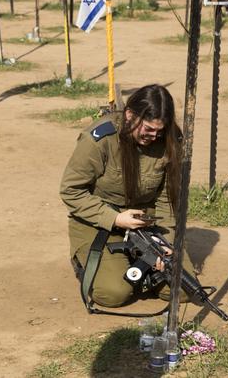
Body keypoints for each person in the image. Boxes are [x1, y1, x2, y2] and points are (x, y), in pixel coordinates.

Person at [60, 84, 193, 308]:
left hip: (145, 224)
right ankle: (89, 262)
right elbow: (71, 191)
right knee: (114, 293)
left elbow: (167, 199)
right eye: (149, 129)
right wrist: (115, 219)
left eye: (160, 131)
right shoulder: (100, 139)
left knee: (182, 290)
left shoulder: (170, 139)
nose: (155, 136)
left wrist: (166, 243)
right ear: (130, 115)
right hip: (98, 223)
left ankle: (135, 263)